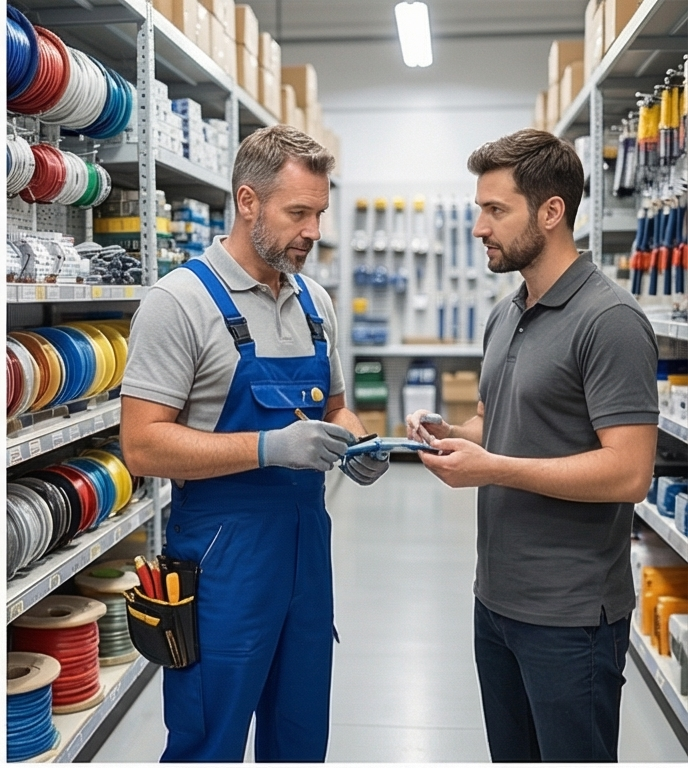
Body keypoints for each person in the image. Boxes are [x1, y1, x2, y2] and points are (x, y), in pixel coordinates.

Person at [120, 125, 388, 762]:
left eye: (319, 212)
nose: (313, 230)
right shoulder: (178, 302)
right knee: (208, 741)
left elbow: (338, 408)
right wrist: (270, 448)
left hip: (305, 554)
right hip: (221, 561)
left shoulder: (315, 302)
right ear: (247, 202)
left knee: (299, 740)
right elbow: (143, 446)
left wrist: (358, 444)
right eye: (299, 212)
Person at [406, 129, 658, 762]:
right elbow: (499, 425)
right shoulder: (507, 311)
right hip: (495, 600)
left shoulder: (610, 321)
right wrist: (450, 435)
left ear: (551, 213)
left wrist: (494, 469)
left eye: (496, 211)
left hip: (571, 614)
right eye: (478, 210)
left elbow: (630, 472)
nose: (478, 228)